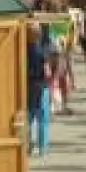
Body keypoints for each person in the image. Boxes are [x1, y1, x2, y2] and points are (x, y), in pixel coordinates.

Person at [26, 21, 54, 157]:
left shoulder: (23, 49)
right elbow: (47, 72)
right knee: (43, 119)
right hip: (41, 86)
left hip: (27, 86)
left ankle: (28, 146)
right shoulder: (42, 52)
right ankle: (42, 148)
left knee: (29, 118)